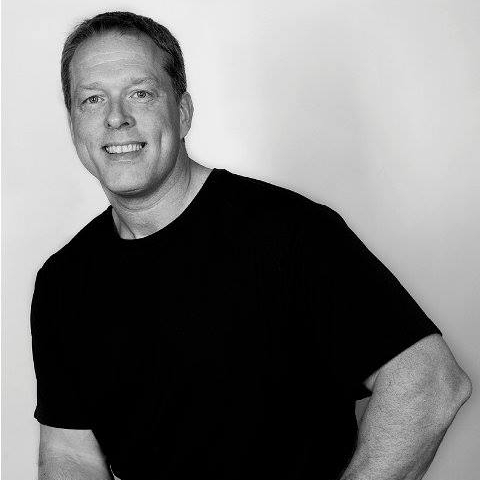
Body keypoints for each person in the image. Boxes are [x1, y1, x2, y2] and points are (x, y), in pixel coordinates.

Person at [30, 11, 472, 480]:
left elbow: (431, 381)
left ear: (183, 112)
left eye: (141, 93)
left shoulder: (289, 232)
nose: (117, 118)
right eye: (92, 99)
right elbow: (71, 453)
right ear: (74, 124)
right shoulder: (63, 282)